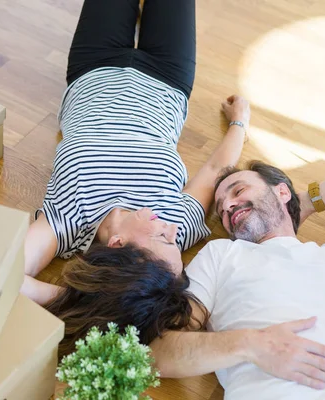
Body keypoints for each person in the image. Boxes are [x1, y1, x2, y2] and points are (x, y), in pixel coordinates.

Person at [21, 0, 251, 306]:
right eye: (173, 239)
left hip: (93, 68)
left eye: (161, 238)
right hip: (168, 77)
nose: (172, 230)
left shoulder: (67, 223)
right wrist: (240, 120)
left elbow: (5, 277)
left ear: (117, 244)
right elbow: (214, 171)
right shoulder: (178, 224)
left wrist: (83, 299)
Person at [149, 155, 325, 398]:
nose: (228, 207)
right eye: (221, 210)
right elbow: (159, 352)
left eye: (239, 190)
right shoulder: (222, 254)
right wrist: (250, 344)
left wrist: (302, 204)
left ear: (281, 191)